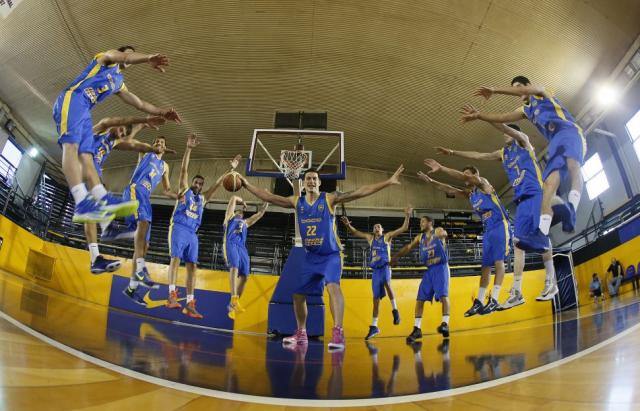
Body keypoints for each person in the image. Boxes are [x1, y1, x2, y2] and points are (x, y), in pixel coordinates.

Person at [239, 165, 404, 351]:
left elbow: (359, 192)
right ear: (303, 183)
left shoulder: (329, 199)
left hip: (330, 256)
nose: (311, 181)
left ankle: (338, 332)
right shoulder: (297, 202)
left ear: (319, 182)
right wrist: (246, 185)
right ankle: (301, 334)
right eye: (307, 178)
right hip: (311, 257)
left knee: (333, 287)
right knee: (298, 295)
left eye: (314, 178)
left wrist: (388, 182)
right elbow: (270, 197)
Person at [436, 113, 557, 304]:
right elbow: (479, 155)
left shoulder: (524, 143)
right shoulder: (503, 153)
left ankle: (551, 281)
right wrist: (452, 152)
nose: (504, 136)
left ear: (515, 134)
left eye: (507, 134)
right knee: (518, 243)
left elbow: (504, 128)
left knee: (540, 237)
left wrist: (481, 116)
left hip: (535, 194)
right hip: (522, 201)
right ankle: (517, 292)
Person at [52, 46, 181, 224]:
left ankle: (96, 202)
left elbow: (140, 103)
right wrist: (148, 57)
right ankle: (83, 200)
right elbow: (121, 57)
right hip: (74, 98)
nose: (128, 56)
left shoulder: (119, 82)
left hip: (84, 109)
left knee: (87, 159)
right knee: (71, 145)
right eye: (126, 52)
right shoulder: (106, 59)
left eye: (130, 54)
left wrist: (160, 112)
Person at [462, 76, 587, 236]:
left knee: (572, 165)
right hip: (555, 141)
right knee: (548, 184)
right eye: (515, 87)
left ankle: (572, 207)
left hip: (569, 131)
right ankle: (541, 234)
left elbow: (524, 91)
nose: (518, 90)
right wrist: (479, 116)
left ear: (528, 85)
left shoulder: (542, 92)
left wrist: (495, 90)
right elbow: (502, 119)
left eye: (519, 86)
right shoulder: (525, 110)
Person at [419, 161, 511, 316]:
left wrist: (442, 167)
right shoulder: (471, 194)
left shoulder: (484, 184)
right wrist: (431, 181)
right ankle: (480, 301)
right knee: (485, 268)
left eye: (468, 174)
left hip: (500, 225)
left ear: (476, 175)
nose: (465, 177)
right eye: (464, 174)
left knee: (499, 262)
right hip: (488, 230)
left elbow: (463, 177)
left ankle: (494, 299)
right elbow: (449, 189)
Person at [84, 114, 172, 274]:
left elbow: (127, 140)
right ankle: (107, 232)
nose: (121, 132)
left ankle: (100, 258)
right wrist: (144, 122)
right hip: (132, 189)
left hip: (138, 195)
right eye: (119, 129)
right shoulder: (97, 132)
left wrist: (143, 124)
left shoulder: (111, 143)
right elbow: (116, 128)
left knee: (144, 240)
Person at [122, 135, 179, 305]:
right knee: (143, 224)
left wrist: (178, 196)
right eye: (156, 142)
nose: (158, 144)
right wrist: (156, 147)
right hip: (135, 190)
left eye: (162, 142)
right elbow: (145, 145)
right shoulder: (145, 153)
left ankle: (131, 289)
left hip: (145, 198)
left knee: (144, 246)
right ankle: (140, 270)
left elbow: (167, 190)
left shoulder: (164, 166)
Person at [341, 207, 412, 340]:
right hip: (375, 271)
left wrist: (407, 216)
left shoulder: (387, 237)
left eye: (379, 226)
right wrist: (348, 225)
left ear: (382, 230)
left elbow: (403, 228)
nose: (376, 228)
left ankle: (395, 310)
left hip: (385, 267)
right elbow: (355, 232)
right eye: (374, 227)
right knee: (375, 300)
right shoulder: (370, 238)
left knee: (387, 283)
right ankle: (374, 326)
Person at [392, 221, 451, 341]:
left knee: (444, 297)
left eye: (423, 221)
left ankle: (445, 324)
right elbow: (408, 247)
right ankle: (417, 329)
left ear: (430, 223)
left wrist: (441, 235)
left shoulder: (437, 231)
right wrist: (396, 256)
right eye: (419, 222)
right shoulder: (420, 237)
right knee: (420, 299)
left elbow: (444, 233)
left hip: (441, 267)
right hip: (430, 270)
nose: (420, 224)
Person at [224, 196, 269, 319]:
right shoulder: (229, 218)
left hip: (242, 247)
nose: (240, 212)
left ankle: (233, 305)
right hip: (231, 243)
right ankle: (233, 298)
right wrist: (242, 201)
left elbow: (259, 214)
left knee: (245, 276)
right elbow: (232, 198)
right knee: (234, 267)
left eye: (241, 212)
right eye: (237, 211)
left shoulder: (245, 223)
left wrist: (266, 202)